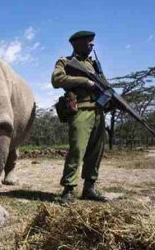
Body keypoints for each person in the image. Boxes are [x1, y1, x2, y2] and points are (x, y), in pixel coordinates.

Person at [51, 31, 109, 204]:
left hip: (99, 111)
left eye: (93, 43)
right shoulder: (66, 61)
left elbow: (104, 86)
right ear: (78, 43)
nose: (92, 45)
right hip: (81, 111)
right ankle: (68, 190)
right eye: (89, 42)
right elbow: (57, 79)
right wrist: (85, 82)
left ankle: (89, 188)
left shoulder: (94, 65)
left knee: (96, 152)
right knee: (77, 149)